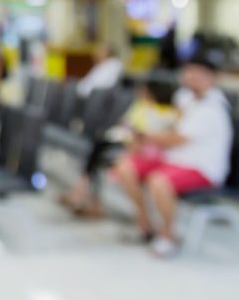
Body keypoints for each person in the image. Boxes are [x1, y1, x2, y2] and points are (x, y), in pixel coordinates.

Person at [111, 54, 234, 258]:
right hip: (173, 159)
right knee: (125, 166)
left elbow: (176, 138)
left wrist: (142, 135)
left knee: (159, 181)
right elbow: (171, 125)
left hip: (201, 168)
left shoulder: (213, 109)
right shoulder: (185, 97)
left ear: (211, 77)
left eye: (198, 73)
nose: (191, 76)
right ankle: (145, 225)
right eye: (188, 71)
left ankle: (168, 236)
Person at [59, 76, 179, 218]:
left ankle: (83, 192)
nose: (141, 92)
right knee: (98, 151)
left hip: (141, 146)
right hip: (125, 137)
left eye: (144, 90)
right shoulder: (141, 105)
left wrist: (135, 135)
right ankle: (86, 195)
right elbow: (126, 121)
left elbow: (152, 133)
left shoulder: (166, 113)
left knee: (98, 152)